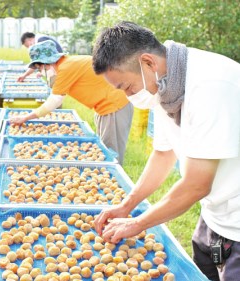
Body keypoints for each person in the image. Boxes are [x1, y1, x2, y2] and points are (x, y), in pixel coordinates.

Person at [91, 21, 240, 280]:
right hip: (214, 214)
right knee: (203, 270)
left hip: (236, 221)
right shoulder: (165, 86)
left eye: (127, 87)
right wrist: (127, 205)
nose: (129, 96)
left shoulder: (210, 87)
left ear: (148, 63)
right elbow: (163, 154)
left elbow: (196, 185)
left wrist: (137, 223)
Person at [10, 40, 133, 165]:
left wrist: (25, 117)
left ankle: (114, 182)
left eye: (40, 68)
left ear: (47, 63)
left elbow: (55, 101)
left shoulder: (65, 68)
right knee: (104, 149)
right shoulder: (67, 63)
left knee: (110, 153)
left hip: (113, 105)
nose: (41, 72)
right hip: (106, 106)